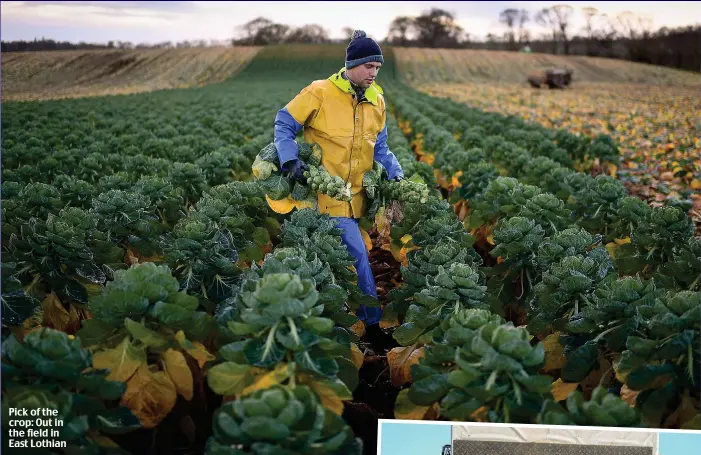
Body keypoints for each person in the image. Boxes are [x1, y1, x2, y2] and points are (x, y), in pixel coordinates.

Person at [273, 30, 404, 342]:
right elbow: (284, 123)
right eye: (369, 66)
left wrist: (396, 177)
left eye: (378, 68)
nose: (374, 72)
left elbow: (381, 149)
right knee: (358, 257)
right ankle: (371, 326)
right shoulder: (319, 92)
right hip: (321, 195)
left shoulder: (377, 101)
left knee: (338, 260)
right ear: (352, 65)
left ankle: (336, 319)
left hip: (354, 198)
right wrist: (290, 159)